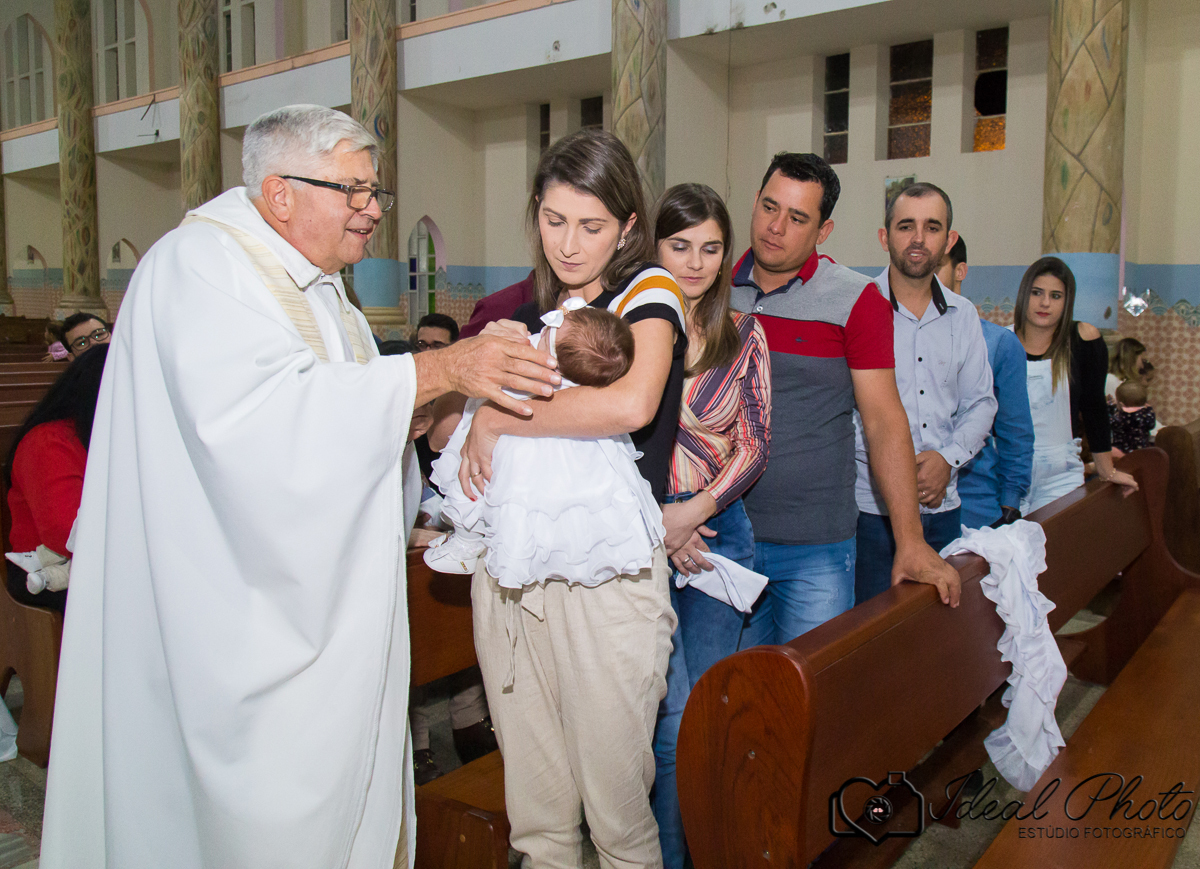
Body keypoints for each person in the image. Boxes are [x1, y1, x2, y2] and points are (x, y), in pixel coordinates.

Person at [39, 104, 560, 869]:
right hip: (230, 627)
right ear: (280, 192)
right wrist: (439, 368)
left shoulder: (322, 291)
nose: (373, 210)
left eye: (376, 191)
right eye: (354, 191)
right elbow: (258, 429)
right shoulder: (199, 268)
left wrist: (411, 414)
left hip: (319, 613)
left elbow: (338, 420)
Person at [459, 128, 685, 868]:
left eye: (591, 225)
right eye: (554, 220)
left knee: (617, 818)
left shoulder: (649, 292)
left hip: (607, 580)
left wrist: (498, 417)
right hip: (513, 571)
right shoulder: (528, 310)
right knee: (539, 820)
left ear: (627, 225)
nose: (568, 243)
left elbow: (630, 404)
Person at [729, 152, 960, 648]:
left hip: (816, 547)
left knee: (814, 683)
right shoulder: (711, 289)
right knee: (732, 687)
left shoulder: (855, 299)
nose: (776, 227)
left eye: (798, 218)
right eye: (769, 207)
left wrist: (911, 539)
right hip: (724, 536)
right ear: (754, 202)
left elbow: (883, 421)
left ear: (824, 230)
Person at [649, 183, 771, 869]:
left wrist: (693, 512)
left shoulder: (746, 332)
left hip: (720, 533)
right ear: (655, 246)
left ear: (727, 255)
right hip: (641, 537)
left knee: (706, 714)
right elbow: (614, 441)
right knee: (669, 720)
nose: (695, 262)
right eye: (680, 245)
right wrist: (661, 522)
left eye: (711, 248)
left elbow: (755, 443)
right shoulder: (633, 327)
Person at [428, 301, 660, 584]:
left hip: (513, 457)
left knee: (480, 489)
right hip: (547, 464)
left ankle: (466, 543)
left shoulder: (536, 372)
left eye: (548, 333)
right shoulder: (574, 366)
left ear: (553, 364)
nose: (546, 326)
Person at [853, 184, 996, 602]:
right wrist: (898, 472)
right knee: (870, 629)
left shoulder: (963, 315)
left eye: (932, 227)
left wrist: (946, 459)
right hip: (870, 512)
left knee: (936, 629)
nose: (918, 238)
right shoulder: (857, 309)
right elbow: (850, 412)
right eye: (906, 226)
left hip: (942, 506)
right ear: (885, 237)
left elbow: (981, 403)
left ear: (949, 240)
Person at [1010, 256, 1137, 514]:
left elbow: (1094, 408)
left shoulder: (1083, 340)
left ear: (1067, 301)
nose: (1045, 303)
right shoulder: (1002, 341)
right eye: (1037, 293)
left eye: (1056, 296)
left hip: (1060, 473)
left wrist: (1106, 470)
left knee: (1058, 537)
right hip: (1008, 471)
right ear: (1024, 295)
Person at [937, 237, 1034, 530]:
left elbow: (1015, 431)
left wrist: (1010, 502)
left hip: (976, 505)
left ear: (960, 271)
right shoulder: (895, 336)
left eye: (937, 266)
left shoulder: (998, 343)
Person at [3, 344, 109, 613]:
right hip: (46, 573)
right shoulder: (49, 440)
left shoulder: (107, 434)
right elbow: (65, 533)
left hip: (101, 561)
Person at [1109, 380, 1156, 456]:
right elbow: (1152, 425)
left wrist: (1110, 407)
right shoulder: (1145, 416)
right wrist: (1149, 409)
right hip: (1142, 452)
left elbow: (1110, 422)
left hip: (1121, 453)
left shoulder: (1119, 417)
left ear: (1121, 404)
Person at [1106, 336, 1155, 400]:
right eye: (1141, 360)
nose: (1142, 366)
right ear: (1131, 359)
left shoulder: (1124, 382)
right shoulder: (1111, 380)